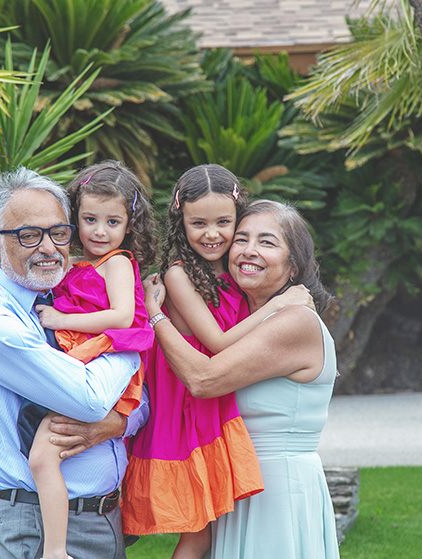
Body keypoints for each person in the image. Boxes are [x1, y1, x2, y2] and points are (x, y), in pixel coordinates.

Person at [0, 167, 148, 559]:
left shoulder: (62, 297)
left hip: (106, 517)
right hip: (41, 524)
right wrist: (134, 338)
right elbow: (90, 398)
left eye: (58, 233)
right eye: (28, 235)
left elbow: (141, 404)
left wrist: (119, 422)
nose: (47, 247)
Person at [120, 165, 312, 559]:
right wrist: (280, 304)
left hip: (213, 409)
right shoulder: (177, 274)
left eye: (224, 222)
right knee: (198, 535)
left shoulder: (232, 273)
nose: (212, 234)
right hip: (189, 412)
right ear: (181, 222)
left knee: (212, 533)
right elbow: (218, 342)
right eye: (199, 223)